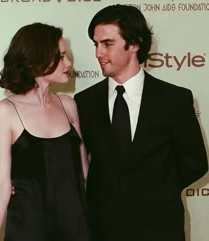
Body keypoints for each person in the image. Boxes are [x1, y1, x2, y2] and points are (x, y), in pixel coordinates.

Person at [74, 4, 208, 241]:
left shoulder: (174, 99)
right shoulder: (84, 102)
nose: (98, 53)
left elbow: (195, 161)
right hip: (103, 228)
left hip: (161, 228)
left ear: (134, 44)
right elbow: (76, 162)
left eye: (107, 43)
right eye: (96, 44)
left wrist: (158, 189)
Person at [0, 22, 89, 241]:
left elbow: (84, 172)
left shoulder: (68, 105)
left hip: (75, 227)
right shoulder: (6, 111)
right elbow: (2, 183)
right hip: (28, 228)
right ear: (38, 59)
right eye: (61, 57)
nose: (68, 63)